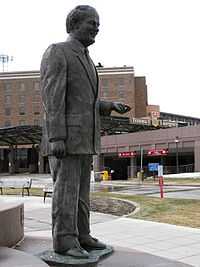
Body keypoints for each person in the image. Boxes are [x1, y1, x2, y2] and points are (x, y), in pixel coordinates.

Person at [40, 5, 130, 259]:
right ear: (75, 24)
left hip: (84, 139)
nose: (97, 28)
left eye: (98, 24)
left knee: (81, 192)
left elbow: (83, 102)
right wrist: (56, 136)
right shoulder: (58, 51)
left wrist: (108, 106)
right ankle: (64, 242)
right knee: (66, 191)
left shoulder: (87, 59)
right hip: (66, 139)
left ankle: (82, 235)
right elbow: (52, 97)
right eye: (92, 23)